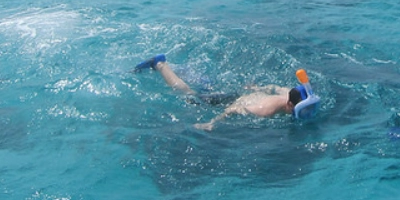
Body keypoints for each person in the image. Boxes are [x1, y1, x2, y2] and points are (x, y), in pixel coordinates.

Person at [134, 54, 313, 131]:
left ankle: (184, 71)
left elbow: (273, 87)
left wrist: (258, 89)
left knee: (208, 90)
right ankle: (160, 64)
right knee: (189, 95)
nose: (308, 111)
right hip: (233, 102)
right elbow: (233, 109)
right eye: (304, 109)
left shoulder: (289, 92)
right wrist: (212, 122)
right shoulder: (264, 111)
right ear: (290, 104)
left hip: (241, 95)